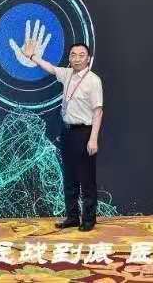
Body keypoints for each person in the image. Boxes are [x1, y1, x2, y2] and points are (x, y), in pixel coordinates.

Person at [22, 40, 103, 231]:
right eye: (73, 55)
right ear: (69, 58)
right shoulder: (67, 74)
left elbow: (98, 111)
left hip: (84, 133)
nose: (77, 59)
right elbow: (50, 68)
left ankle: (89, 220)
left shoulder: (93, 80)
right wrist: (32, 57)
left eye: (81, 55)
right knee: (69, 177)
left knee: (86, 179)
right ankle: (72, 217)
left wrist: (93, 139)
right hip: (67, 132)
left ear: (88, 59)